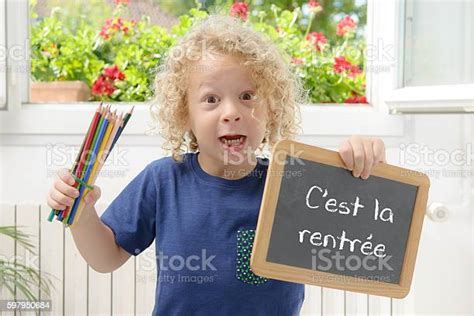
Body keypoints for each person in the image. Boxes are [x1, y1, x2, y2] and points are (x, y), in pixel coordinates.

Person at [46, 14, 386, 315]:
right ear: (185, 114)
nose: (232, 111)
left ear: (272, 110)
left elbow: (361, 235)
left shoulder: (291, 182)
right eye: (211, 99)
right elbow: (106, 257)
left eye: (248, 96)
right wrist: (83, 213)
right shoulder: (164, 180)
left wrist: (367, 166)